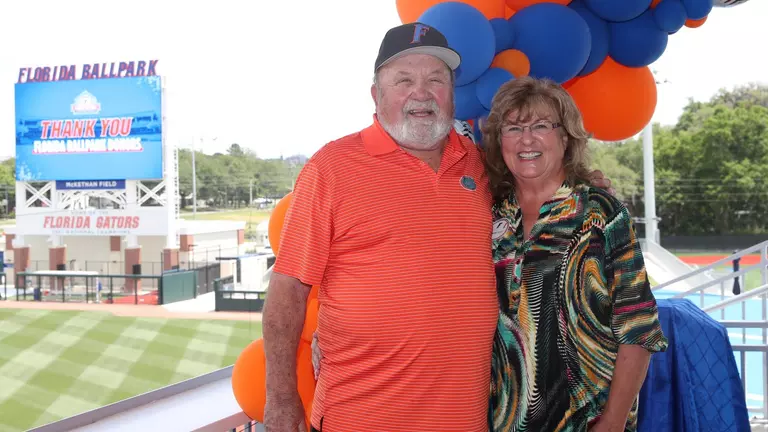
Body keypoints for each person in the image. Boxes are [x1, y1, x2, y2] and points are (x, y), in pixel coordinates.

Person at [262, 22, 612, 432]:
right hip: (359, 417)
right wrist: (282, 398)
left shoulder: (485, 166)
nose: (421, 93)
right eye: (403, 80)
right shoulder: (331, 168)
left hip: (467, 420)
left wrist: (585, 183)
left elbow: (544, 186)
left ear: (452, 92)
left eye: (436, 79)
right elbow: (288, 291)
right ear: (376, 95)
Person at [484, 77, 668, 431]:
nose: (527, 139)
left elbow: (638, 327)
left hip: (587, 421)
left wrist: (613, 421)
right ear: (498, 140)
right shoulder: (491, 213)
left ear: (565, 137)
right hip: (505, 420)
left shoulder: (599, 213)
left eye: (541, 126)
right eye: (513, 127)